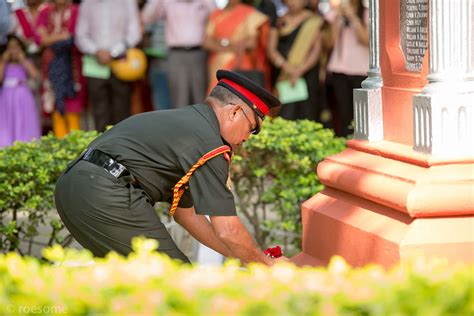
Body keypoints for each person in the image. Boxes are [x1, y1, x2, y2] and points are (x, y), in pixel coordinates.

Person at [54, 70, 288, 265]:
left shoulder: (190, 122)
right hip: (105, 192)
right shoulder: (211, 143)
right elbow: (227, 229)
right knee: (175, 279)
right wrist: (266, 265)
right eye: (252, 128)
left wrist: (242, 258)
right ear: (234, 112)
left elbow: (186, 215)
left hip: (72, 186)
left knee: (134, 283)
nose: (249, 137)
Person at [75, 0, 141, 132]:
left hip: (122, 64)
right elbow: (80, 35)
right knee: (100, 114)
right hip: (95, 65)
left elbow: (134, 33)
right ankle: (101, 150)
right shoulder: (87, 3)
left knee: (122, 112)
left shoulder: (127, 2)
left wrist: (113, 52)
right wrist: (96, 51)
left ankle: (122, 150)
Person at [141, 0, 215, 109]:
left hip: (199, 54)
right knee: (179, 99)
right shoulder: (168, 2)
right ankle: (181, 126)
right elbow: (147, 18)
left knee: (201, 97)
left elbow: (218, 16)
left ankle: (201, 125)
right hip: (175, 54)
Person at [267, 0, 323, 121]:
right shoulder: (279, 21)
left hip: (306, 74)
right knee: (283, 114)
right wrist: (287, 68)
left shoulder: (313, 21)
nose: (293, 2)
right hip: (283, 74)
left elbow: (316, 51)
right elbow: (271, 50)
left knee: (307, 113)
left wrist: (300, 70)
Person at [37, 0, 85, 138]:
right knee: (56, 105)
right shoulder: (45, 11)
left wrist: (50, 39)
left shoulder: (75, 10)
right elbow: (40, 40)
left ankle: (76, 147)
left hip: (72, 65)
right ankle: (61, 147)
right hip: (51, 66)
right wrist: (60, 37)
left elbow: (72, 37)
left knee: (72, 104)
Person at [204, 0, 269, 91]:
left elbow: (252, 43)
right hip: (217, 64)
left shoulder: (250, 14)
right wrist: (233, 45)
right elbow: (207, 42)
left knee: (240, 95)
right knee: (217, 96)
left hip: (242, 64)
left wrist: (222, 43)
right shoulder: (216, 14)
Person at [326, 0, 369, 136]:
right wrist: (338, 17)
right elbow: (331, 42)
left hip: (361, 70)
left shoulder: (367, 13)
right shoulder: (336, 14)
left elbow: (366, 40)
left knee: (361, 113)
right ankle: (345, 141)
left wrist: (353, 17)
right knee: (343, 112)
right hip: (339, 70)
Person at [0, 35, 41, 147]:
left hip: (23, 95)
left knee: (24, 121)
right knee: (8, 122)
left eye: (16, 46)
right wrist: (3, 61)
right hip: (6, 97)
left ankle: (26, 145)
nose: (13, 50)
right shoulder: (4, 62)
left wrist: (23, 61)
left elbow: (35, 75)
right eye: (10, 47)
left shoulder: (25, 61)